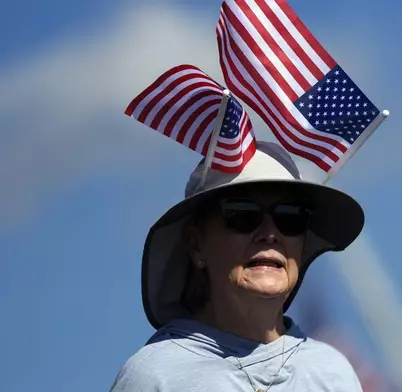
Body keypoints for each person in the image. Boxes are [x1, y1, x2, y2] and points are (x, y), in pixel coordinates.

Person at [109, 141, 366, 392]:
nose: (270, 233)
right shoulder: (154, 377)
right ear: (196, 245)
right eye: (243, 214)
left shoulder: (333, 373)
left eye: (290, 216)